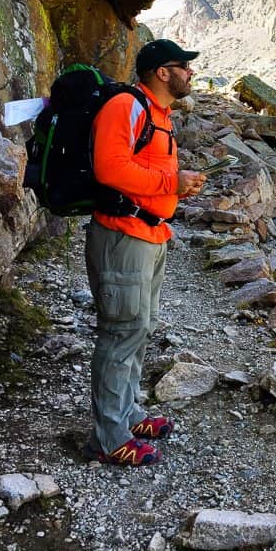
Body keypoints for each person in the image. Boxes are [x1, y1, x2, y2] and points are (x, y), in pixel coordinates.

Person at [84, 39, 206, 466]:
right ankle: (107, 437)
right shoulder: (125, 106)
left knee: (140, 327)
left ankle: (128, 413)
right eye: (183, 67)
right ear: (161, 72)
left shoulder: (161, 116)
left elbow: (147, 172)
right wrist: (171, 185)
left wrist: (178, 185)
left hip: (151, 236)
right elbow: (109, 167)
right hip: (123, 237)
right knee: (121, 331)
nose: (190, 73)